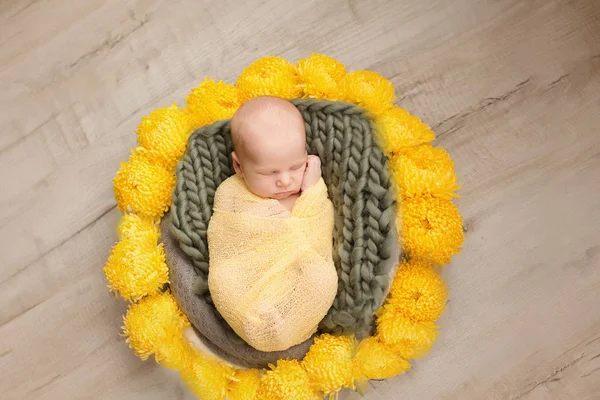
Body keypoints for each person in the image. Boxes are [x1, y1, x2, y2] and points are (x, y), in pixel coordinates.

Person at [206, 96, 338, 352]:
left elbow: (320, 224)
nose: (285, 181)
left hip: (296, 271)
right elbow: (226, 235)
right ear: (238, 166)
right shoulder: (232, 191)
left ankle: (282, 321)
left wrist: (311, 190)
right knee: (224, 279)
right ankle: (258, 319)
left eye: (296, 166)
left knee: (322, 279)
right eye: (269, 173)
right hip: (248, 271)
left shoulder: (308, 188)